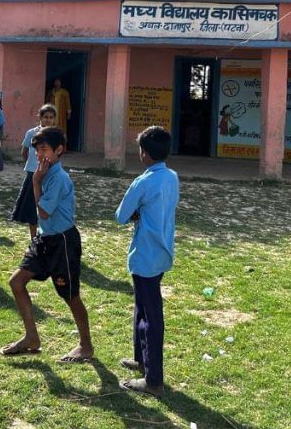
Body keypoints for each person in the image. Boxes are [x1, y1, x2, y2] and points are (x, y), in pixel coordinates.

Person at [1, 126, 94, 364]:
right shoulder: (46, 174)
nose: (40, 155)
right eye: (37, 150)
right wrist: (37, 180)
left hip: (62, 242)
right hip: (45, 239)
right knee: (16, 282)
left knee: (71, 296)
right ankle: (31, 337)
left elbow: (42, 211)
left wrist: (35, 181)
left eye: (44, 150)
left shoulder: (58, 178)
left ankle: (86, 346)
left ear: (59, 150)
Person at [115, 126, 179, 397]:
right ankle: (142, 359)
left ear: (144, 154)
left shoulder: (142, 182)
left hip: (144, 255)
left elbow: (120, 215)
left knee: (150, 316)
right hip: (163, 251)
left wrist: (136, 214)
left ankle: (153, 380)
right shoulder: (172, 176)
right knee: (142, 307)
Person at [10, 104, 57, 240]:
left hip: (49, 176)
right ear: (40, 118)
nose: (48, 120)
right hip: (33, 175)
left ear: (54, 119)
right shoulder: (32, 133)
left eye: (51, 117)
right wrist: (31, 166)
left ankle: (47, 236)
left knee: (48, 208)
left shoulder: (56, 135)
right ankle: (33, 239)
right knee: (32, 208)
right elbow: (24, 152)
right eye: (45, 117)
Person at [46, 78, 71, 143]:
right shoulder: (51, 92)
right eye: (56, 82)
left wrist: (69, 113)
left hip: (61, 114)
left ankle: (62, 147)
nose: (57, 83)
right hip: (52, 114)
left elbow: (67, 103)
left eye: (58, 82)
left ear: (61, 83)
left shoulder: (64, 92)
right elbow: (46, 102)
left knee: (61, 130)